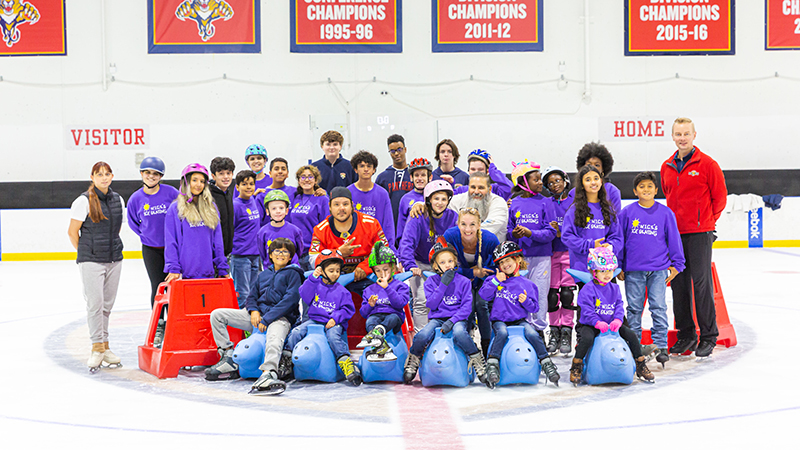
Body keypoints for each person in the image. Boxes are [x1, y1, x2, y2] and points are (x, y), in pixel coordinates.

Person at [660, 117, 727, 358]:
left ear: (694, 135)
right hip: (675, 235)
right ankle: (686, 335)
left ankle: (708, 336)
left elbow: (719, 198)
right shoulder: (667, 166)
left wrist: (707, 222)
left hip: (700, 233)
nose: (682, 138)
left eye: (686, 133)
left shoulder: (708, 164)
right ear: (673, 136)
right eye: (678, 134)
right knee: (678, 283)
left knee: (701, 283)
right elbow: (668, 196)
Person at [205, 238, 303, 396]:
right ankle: (228, 356)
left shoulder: (294, 274)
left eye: (285, 252)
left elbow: (290, 301)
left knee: (274, 338)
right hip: (256, 316)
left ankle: (268, 372)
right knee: (217, 315)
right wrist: (253, 311)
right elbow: (252, 296)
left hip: (279, 318)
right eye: (277, 251)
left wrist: (267, 318)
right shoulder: (264, 274)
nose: (281, 254)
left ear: (290, 257)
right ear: (270, 255)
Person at [618, 171, 686, 367]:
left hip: (658, 270)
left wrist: (677, 264)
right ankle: (635, 344)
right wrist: (620, 265)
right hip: (634, 270)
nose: (646, 190)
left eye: (649, 186)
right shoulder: (627, 213)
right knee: (634, 308)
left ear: (656, 190)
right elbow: (620, 241)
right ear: (635, 190)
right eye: (641, 187)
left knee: (658, 307)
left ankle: (661, 345)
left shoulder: (665, 213)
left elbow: (674, 239)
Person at [402, 238, 487, 385]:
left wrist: (452, 321)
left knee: (460, 332)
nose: (447, 265)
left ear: (455, 262)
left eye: (450, 261)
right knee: (422, 335)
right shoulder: (430, 282)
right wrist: (443, 284)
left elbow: (466, 308)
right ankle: (414, 358)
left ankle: (476, 358)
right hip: (438, 318)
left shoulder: (464, 281)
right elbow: (432, 304)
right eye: (442, 263)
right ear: (435, 266)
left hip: (458, 318)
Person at [68, 162, 125, 372]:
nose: (103, 178)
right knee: (95, 304)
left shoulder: (118, 199)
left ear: (112, 176)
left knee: (106, 306)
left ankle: (105, 346)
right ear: (92, 177)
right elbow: (72, 232)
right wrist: (85, 252)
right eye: (99, 174)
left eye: (107, 174)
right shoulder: (82, 201)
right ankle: (96, 347)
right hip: (91, 260)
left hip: (114, 259)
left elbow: (116, 229)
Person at [479, 241, 560, 388]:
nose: (505, 265)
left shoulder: (527, 284)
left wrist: (526, 301)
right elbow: (484, 295)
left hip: (519, 321)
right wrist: (496, 281)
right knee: (502, 333)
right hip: (500, 321)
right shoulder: (495, 280)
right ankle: (492, 363)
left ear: (518, 260)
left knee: (533, 333)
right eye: (501, 262)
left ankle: (546, 362)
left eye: (508, 260)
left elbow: (535, 308)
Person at [569, 247, 655, 385]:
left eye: (609, 270)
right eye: (603, 271)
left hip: (611, 324)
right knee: (586, 338)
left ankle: (640, 363)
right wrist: (596, 322)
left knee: (631, 335)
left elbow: (619, 306)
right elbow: (586, 310)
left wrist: (618, 319)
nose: (607, 274)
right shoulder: (587, 289)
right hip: (590, 324)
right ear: (594, 271)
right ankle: (577, 365)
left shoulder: (614, 288)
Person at [561, 165, 622, 354]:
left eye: (596, 178)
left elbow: (617, 237)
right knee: (586, 309)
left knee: (608, 305)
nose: (593, 182)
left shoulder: (608, 210)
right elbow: (567, 237)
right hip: (584, 270)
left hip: (606, 270)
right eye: (588, 179)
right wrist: (590, 245)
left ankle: (610, 344)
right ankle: (583, 346)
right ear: (582, 184)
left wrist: (609, 247)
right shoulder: (574, 210)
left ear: (601, 181)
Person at [280, 249, 361, 386]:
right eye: (331, 270)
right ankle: (287, 361)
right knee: (296, 332)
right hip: (314, 320)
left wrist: (335, 318)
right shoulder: (315, 285)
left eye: (337, 270)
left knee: (334, 336)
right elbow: (304, 295)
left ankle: (346, 363)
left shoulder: (343, 291)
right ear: (321, 271)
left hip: (333, 322)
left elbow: (348, 309)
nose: (335, 274)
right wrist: (312, 279)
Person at [398, 180, 458, 331]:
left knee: (449, 299)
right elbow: (406, 243)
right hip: (421, 263)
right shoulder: (418, 215)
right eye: (436, 198)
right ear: (428, 200)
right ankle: (421, 336)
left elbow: (458, 243)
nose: (440, 202)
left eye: (444, 199)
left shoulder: (453, 217)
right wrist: (410, 265)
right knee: (421, 300)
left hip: (445, 265)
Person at [308, 186, 390, 297]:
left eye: (345, 204)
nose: (341, 208)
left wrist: (364, 267)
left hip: (368, 277)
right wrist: (338, 253)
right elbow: (314, 261)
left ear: (352, 206)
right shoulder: (320, 229)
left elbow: (384, 252)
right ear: (330, 207)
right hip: (333, 280)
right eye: (336, 204)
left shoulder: (371, 224)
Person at [506, 162, 556, 334]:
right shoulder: (513, 203)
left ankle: (540, 329)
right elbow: (508, 231)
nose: (541, 183)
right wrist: (515, 234)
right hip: (520, 258)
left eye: (540, 179)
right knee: (521, 292)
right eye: (536, 180)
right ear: (524, 182)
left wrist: (530, 233)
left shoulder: (546, 202)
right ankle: (524, 328)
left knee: (540, 293)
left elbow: (550, 232)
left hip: (542, 257)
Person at [443, 207, 499, 359]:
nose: (468, 229)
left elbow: (498, 267)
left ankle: (487, 346)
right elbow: (444, 266)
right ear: (458, 224)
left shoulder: (490, 239)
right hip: (458, 279)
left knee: (481, 304)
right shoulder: (450, 236)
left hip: (484, 280)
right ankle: (466, 343)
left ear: (479, 225)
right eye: (463, 224)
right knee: (466, 305)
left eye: (472, 224)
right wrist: (471, 272)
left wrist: (481, 272)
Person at [127, 156, 179, 307]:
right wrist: (148, 236)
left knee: (174, 286)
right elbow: (133, 223)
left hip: (173, 249)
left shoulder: (171, 193)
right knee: (157, 286)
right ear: (141, 174)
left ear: (161, 176)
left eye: (155, 173)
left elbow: (183, 213)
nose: (151, 176)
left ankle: (173, 323)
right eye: (147, 172)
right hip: (151, 250)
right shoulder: (136, 199)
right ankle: (159, 324)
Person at [164, 163, 229, 282]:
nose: (199, 185)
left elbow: (217, 241)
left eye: (202, 181)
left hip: (208, 272)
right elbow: (171, 241)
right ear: (186, 182)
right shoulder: (175, 209)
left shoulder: (211, 207)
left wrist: (222, 267)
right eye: (195, 180)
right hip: (184, 273)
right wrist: (173, 268)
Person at [542, 166, 576, 355]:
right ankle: (554, 330)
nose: (554, 185)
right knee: (552, 295)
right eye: (550, 183)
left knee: (567, 294)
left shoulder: (574, 200)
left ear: (565, 180)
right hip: (552, 253)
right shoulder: (547, 202)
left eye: (557, 180)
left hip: (570, 253)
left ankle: (567, 331)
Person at [357, 242, 410, 362]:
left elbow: (399, 304)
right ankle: (381, 346)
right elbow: (364, 313)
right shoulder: (369, 289)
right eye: (378, 270)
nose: (382, 274)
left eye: (385, 269)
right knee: (370, 321)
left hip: (394, 318)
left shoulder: (400, 286)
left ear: (393, 268)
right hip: (376, 316)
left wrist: (387, 288)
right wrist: (370, 306)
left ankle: (379, 332)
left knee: (393, 318)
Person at [348, 150, 396, 248]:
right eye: (361, 166)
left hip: (377, 246)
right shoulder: (348, 193)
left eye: (369, 166)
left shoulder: (383, 194)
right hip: (354, 247)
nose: (366, 169)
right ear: (355, 169)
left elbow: (388, 224)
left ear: (374, 170)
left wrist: (389, 248)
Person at [230, 170, 262, 308]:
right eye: (244, 184)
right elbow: (230, 229)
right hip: (240, 256)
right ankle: (241, 328)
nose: (248, 187)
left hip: (255, 255)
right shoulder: (235, 205)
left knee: (254, 293)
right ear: (237, 187)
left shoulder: (253, 200)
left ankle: (251, 324)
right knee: (243, 294)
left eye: (251, 184)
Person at [288, 165, 330, 271]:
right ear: (298, 180)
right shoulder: (294, 197)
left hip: (312, 252)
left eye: (310, 177)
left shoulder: (322, 199)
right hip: (295, 252)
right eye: (303, 177)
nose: (306, 179)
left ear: (316, 180)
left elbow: (326, 227)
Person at [447, 172, 509, 242]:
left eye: (481, 188)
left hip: (492, 250)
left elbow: (486, 231)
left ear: (490, 189)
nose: (476, 191)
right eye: (473, 187)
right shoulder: (458, 200)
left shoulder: (499, 203)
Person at [257, 189, 305, 267]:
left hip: (291, 270)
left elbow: (299, 251)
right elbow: (263, 255)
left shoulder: (295, 230)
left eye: (281, 208)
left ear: (287, 211)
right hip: (271, 271)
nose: (278, 211)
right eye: (274, 208)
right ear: (267, 211)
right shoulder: (262, 232)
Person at [375, 134, 413, 228]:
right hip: (391, 225)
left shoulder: (415, 175)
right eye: (392, 151)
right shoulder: (382, 178)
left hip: (412, 223)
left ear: (405, 149)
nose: (396, 153)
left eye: (399, 149)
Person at [395, 157, 433, 247]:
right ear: (411, 177)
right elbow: (401, 231)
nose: (419, 178)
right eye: (416, 175)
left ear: (430, 177)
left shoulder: (435, 197)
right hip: (413, 251)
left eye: (423, 175)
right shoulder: (405, 199)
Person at [576, 142, 622, 214]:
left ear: (603, 169)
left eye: (597, 165)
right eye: (589, 164)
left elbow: (616, 220)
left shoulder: (612, 191)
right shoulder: (574, 192)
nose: (592, 168)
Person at [312, 130, 357, 194]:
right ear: (322, 146)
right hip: (321, 203)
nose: (332, 147)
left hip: (344, 203)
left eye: (335, 144)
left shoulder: (350, 166)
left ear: (340, 147)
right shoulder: (314, 167)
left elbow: (355, 189)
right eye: (328, 144)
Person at [208, 157, 236, 257]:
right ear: (213, 176)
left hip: (227, 252)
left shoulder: (229, 193)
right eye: (221, 174)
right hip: (213, 254)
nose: (226, 177)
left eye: (228, 173)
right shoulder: (208, 196)